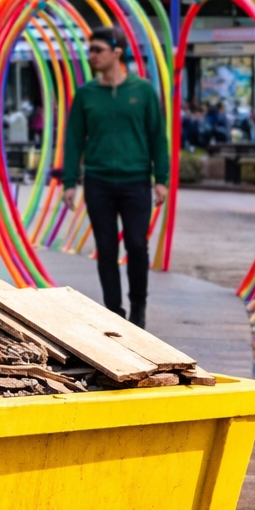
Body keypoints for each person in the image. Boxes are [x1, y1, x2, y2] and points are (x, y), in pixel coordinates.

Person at [62, 26, 169, 330]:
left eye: (97, 50)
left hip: (136, 181)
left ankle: (138, 305)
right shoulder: (86, 95)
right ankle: (113, 311)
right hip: (98, 182)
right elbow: (74, 141)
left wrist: (160, 178)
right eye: (90, 50)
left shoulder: (143, 91)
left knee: (136, 245)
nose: (91, 55)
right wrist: (70, 182)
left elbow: (157, 137)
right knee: (106, 249)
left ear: (117, 52)